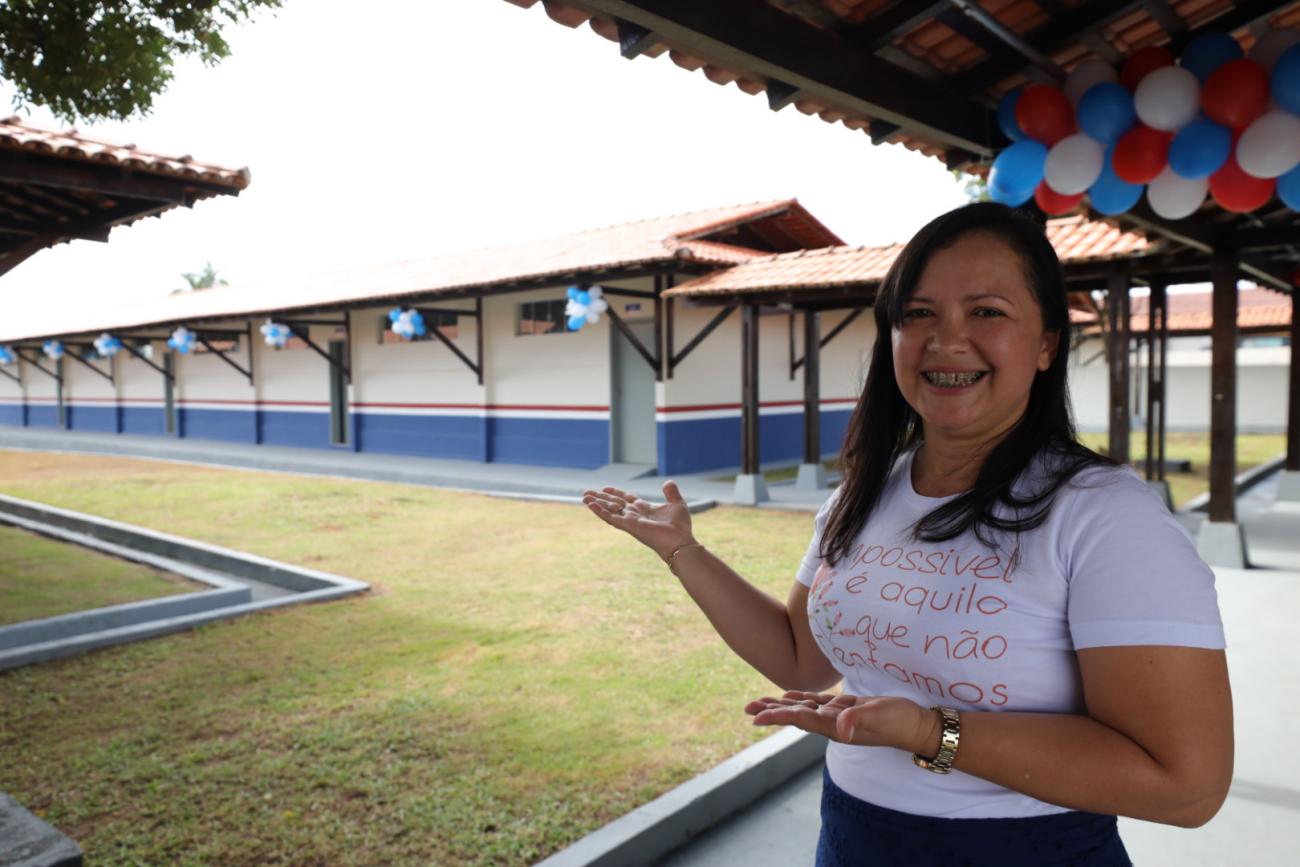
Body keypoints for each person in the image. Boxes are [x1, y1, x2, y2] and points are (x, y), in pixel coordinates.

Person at [582, 202, 1233, 866]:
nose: (945, 340)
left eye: (987, 311)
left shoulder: (1105, 516)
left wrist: (931, 732)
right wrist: (684, 552)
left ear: (1046, 343)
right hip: (854, 835)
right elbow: (798, 655)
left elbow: (1184, 784)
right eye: (918, 313)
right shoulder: (865, 492)